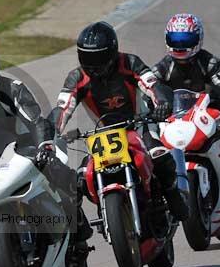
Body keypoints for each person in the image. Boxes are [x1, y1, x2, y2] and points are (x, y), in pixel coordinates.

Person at [0, 43, 92, 242]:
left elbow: (36, 121)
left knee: (54, 168)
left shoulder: (13, 89)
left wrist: (44, 146)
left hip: (22, 147)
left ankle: (77, 219)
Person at [48, 21, 189, 222]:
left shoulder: (130, 63)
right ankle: (79, 224)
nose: (94, 64)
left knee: (159, 155)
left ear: (112, 52)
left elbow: (151, 84)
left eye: (99, 57)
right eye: (88, 58)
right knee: (80, 177)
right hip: (104, 134)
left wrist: (162, 103)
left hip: (140, 125)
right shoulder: (77, 77)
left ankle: (173, 197)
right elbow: (63, 107)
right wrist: (51, 132)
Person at [152, 13, 220, 198]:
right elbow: (150, 89)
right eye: (175, 40)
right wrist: (156, 110)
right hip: (176, 116)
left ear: (198, 39)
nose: (180, 46)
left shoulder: (209, 62)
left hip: (208, 111)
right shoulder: (162, 67)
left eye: (186, 40)